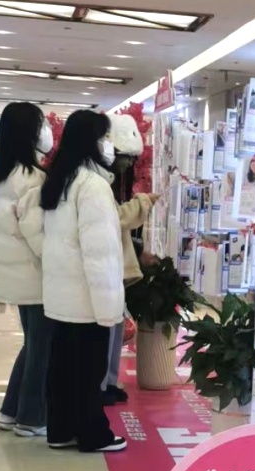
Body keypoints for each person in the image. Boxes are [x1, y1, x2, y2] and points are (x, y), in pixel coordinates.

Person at [40, 109, 127, 453]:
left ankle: (60, 430)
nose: (108, 144)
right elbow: (99, 253)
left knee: (62, 367)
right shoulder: (93, 186)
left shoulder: (61, 179)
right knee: (89, 370)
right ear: (91, 141)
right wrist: (108, 308)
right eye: (104, 137)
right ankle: (93, 434)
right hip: (86, 299)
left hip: (61, 296)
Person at [0, 103, 54, 437]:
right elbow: (37, 234)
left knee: (33, 344)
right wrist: (60, 263)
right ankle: (31, 417)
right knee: (42, 348)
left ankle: (10, 410)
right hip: (35, 274)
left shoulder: (2, 176)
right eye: (41, 125)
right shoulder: (33, 178)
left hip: (14, 276)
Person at [103, 113, 155, 405]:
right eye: (125, 158)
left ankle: (108, 382)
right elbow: (115, 219)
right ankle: (102, 385)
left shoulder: (108, 182)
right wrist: (143, 203)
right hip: (102, 270)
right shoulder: (96, 183)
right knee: (106, 330)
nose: (128, 165)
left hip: (112, 268)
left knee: (115, 328)